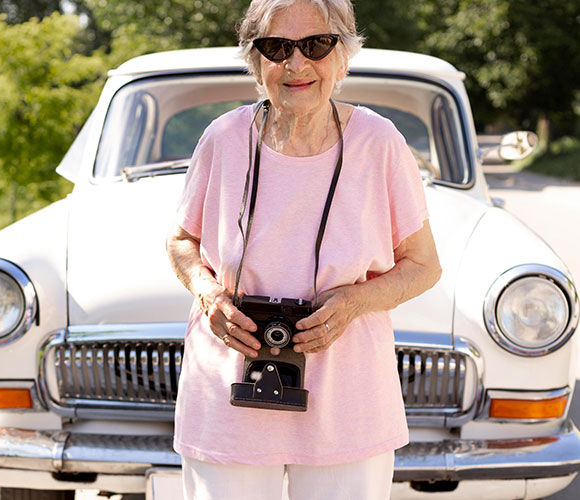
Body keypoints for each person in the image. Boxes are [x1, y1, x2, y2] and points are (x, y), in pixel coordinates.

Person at [165, 0, 442, 498]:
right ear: (255, 60)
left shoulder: (380, 142)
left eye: (316, 45)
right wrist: (207, 293)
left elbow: (424, 266)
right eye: (276, 48)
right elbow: (182, 240)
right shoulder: (223, 138)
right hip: (228, 397)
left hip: (347, 404)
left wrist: (356, 301)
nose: (296, 64)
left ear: (343, 56)